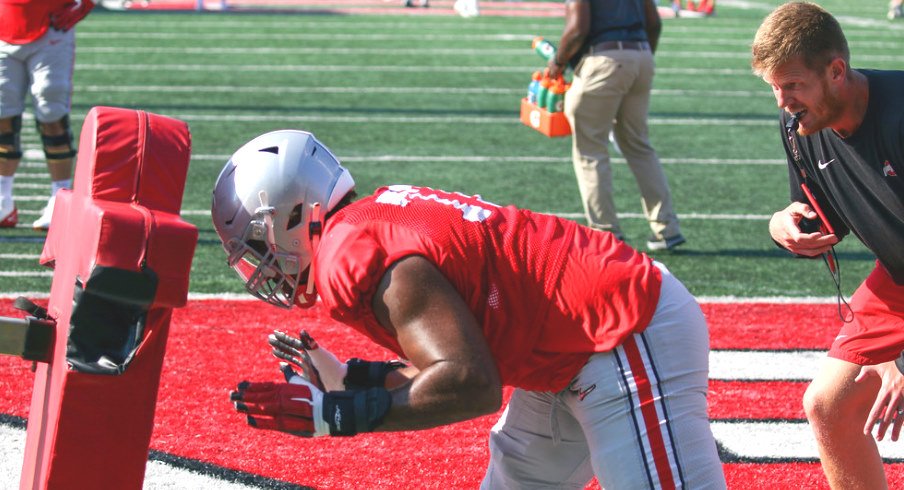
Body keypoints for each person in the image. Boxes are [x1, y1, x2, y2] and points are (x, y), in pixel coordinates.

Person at [212, 129, 726, 488]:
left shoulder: (346, 256)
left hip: (618, 328)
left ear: (294, 214)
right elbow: (448, 350)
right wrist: (355, 378)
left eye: (257, 245)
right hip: (562, 345)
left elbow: (469, 381)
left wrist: (340, 414)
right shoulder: (367, 219)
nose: (259, 268)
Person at [751, 2, 904, 487]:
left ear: (837, 71)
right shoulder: (799, 125)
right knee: (829, 406)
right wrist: (784, 226)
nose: (782, 101)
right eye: (774, 86)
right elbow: (825, 220)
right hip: (899, 275)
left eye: (792, 85)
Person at [546, 0, 684, 251]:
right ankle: (667, 227)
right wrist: (639, 59)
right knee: (638, 145)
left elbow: (578, 28)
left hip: (603, 58)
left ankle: (606, 233)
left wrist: (557, 61)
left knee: (590, 150)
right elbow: (654, 22)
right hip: (641, 56)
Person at [0, 0, 94, 230]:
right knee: (3, 117)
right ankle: (3, 199)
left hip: (51, 25)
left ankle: (59, 198)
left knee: (52, 115)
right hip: (4, 24)